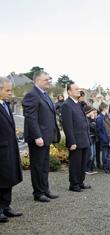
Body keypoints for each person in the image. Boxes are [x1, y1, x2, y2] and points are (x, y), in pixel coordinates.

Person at [22, 71, 60, 202]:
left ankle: (45, 189)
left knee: (44, 166)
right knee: (38, 166)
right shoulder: (32, 95)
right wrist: (37, 136)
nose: (48, 81)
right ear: (37, 81)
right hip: (38, 138)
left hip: (46, 137)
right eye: (46, 80)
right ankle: (38, 193)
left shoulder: (45, 95)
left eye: (49, 79)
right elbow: (31, 117)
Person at [61, 83, 92, 192]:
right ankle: (74, 184)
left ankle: (80, 182)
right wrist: (71, 141)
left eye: (79, 88)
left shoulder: (78, 104)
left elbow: (83, 121)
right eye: (76, 89)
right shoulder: (66, 105)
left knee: (83, 163)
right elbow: (67, 125)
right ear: (69, 92)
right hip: (76, 141)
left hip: (84, 139)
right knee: (75, 164)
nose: (79, 90)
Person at [0, 77, 23, 223]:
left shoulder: (5, 105)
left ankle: (5, 206)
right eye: (7, 90)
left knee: (8, 178)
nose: (10, 93)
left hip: (9, 147)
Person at [96, 102, 110, 173]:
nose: (108, 109)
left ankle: (108, 166)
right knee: (105, 153)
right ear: (104, 109)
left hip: (109, 137)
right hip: (105, 139)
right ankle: (105, 167)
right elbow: (99, 130)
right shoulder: (99, 118)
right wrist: (104, 138)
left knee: (108, 153)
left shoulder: (106, 116)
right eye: (107, 108)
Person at [84, 106, 98, 175]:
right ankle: (87, 169)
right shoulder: (86, 119)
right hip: (89, 138)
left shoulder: (92, 119)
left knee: (94, 154)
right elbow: (92, 127)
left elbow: (95, 128)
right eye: (93, 112)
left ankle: (91, 168)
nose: (94, 114)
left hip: (93, 138)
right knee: (90, 154)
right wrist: (92, 119)